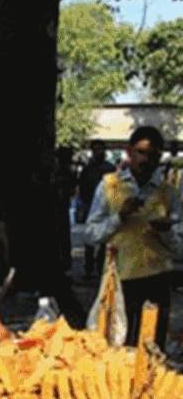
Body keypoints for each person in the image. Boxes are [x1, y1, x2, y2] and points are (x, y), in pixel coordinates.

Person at [85, 126, 183, 349]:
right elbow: (91, 234)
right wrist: (120, 216)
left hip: (157, 278)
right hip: (120, 279)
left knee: (152, 346)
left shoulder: (169, 192)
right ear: (129, 152)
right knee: (120, 345)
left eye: (154, 155)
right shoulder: (110, 185)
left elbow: (179, 248)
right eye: (142, 153)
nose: (147, 160)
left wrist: (165, 231)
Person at [78, 140, 116, 277]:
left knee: (104, 240)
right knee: (89, 239)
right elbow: (82, 187)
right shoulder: (87, 169)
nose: (98, 152)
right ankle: (88, 268)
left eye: (100, 149)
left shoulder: (110, 168)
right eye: (96, 149)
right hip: (90, 205)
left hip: (107, 206)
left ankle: (101, 267)